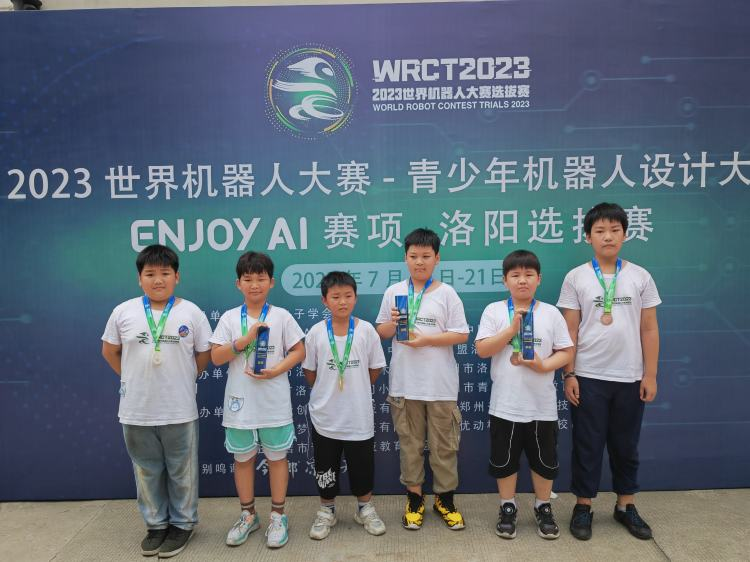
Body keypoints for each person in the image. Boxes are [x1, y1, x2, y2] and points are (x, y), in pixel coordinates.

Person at [557, 202, 660, 541]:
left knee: (626, 445)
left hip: (630, 377)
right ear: (588, 237)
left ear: (625, 235)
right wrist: (569, 374)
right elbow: (569, 330)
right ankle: (583, 506)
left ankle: (625, 505)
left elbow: (649, 328)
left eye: (615, 230)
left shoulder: (641, 276)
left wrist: (650, 375)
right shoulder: (576, 277)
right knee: (587, 444)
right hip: (588, 375)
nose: (608, 237)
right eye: (600, 231)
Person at [101, 244, 212, 558]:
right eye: (150, 274)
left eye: (165, 273)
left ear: (177, 276)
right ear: (140, 279)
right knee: (146, 471)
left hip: (179, 408)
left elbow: (203, 354)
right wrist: (131, 377)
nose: (158, 280)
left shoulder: (191, 312)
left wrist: (186, 378)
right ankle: (156, 525)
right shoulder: (123, 312)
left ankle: (183, 524)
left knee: (182, 471)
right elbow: (109, 351)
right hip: (136, 409)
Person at [475, 250, 574, 540]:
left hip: (542, 406)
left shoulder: (551, 313)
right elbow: (482, 350)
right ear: (505, 280)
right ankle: (507, 507)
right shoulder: (494, 311)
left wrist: (544, 366)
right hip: (505, 405)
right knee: (504, 461)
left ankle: (543, 507)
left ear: (539, 279)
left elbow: (567, 351)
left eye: (529, 274)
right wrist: (512, 329)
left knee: (544, 461)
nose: (522, 280)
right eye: (515, 275)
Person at [376, 228, 470, 530]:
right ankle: (414, 499)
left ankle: (445, 499)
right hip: (405, 385)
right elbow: (381, 332)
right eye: (414, 256)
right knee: (410, 445)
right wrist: (393, 323)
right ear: (405, 258)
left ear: (437, 258)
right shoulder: (394, 292)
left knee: (445, 447)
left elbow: (462, 334)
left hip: (441, 386)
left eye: (426, 256)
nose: (419, 262)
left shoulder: (447, 293)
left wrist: (427, 340)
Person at [210, 252, 305, 549]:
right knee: (243, 460)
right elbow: (216, 357)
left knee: (277, 458)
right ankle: (248, 515)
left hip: (273, 401)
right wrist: (245, 339)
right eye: (248, 279)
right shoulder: (229, 318)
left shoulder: (282, 316)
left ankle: (278, 516)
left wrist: (276, 370)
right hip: (240, 403)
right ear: (238, 283)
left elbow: (299, 351)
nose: (254, 284)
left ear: (271, 282)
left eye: (260, 278)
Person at [302, 271, 387, 540]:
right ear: (324, 300)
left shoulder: (366, 331)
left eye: (348, 296)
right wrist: (327, 390)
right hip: (325, 415)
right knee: (325, 466)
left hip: (358, 414)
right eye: (336, 297)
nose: (342, 302)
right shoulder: (316, 332)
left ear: (356, 298)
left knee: (362, 465)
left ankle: (365, 509)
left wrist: (356, 386)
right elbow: (310, 371)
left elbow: (375, 368)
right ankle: (326, 510)